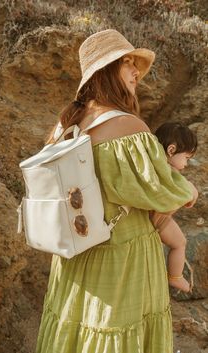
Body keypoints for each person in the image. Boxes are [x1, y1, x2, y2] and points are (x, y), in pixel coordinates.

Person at [35, 29, 198, 353]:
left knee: (77, 334)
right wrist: (189, 190)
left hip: (75, 256)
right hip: (122, 259)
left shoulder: (66, 124)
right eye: (126, 63)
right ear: (106, 71)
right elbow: (162, 191)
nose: (136, 71)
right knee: (118, 337)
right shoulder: (127, 127)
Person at [150, 122, 198, 293]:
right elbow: (180, 195)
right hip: (158, 221)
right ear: (171, 150)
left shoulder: (152, 164)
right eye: (186, 157)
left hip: (157, 218)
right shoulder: (166, 171)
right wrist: (191, 192)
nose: (187, 163)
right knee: (179, 243)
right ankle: (175, 277)